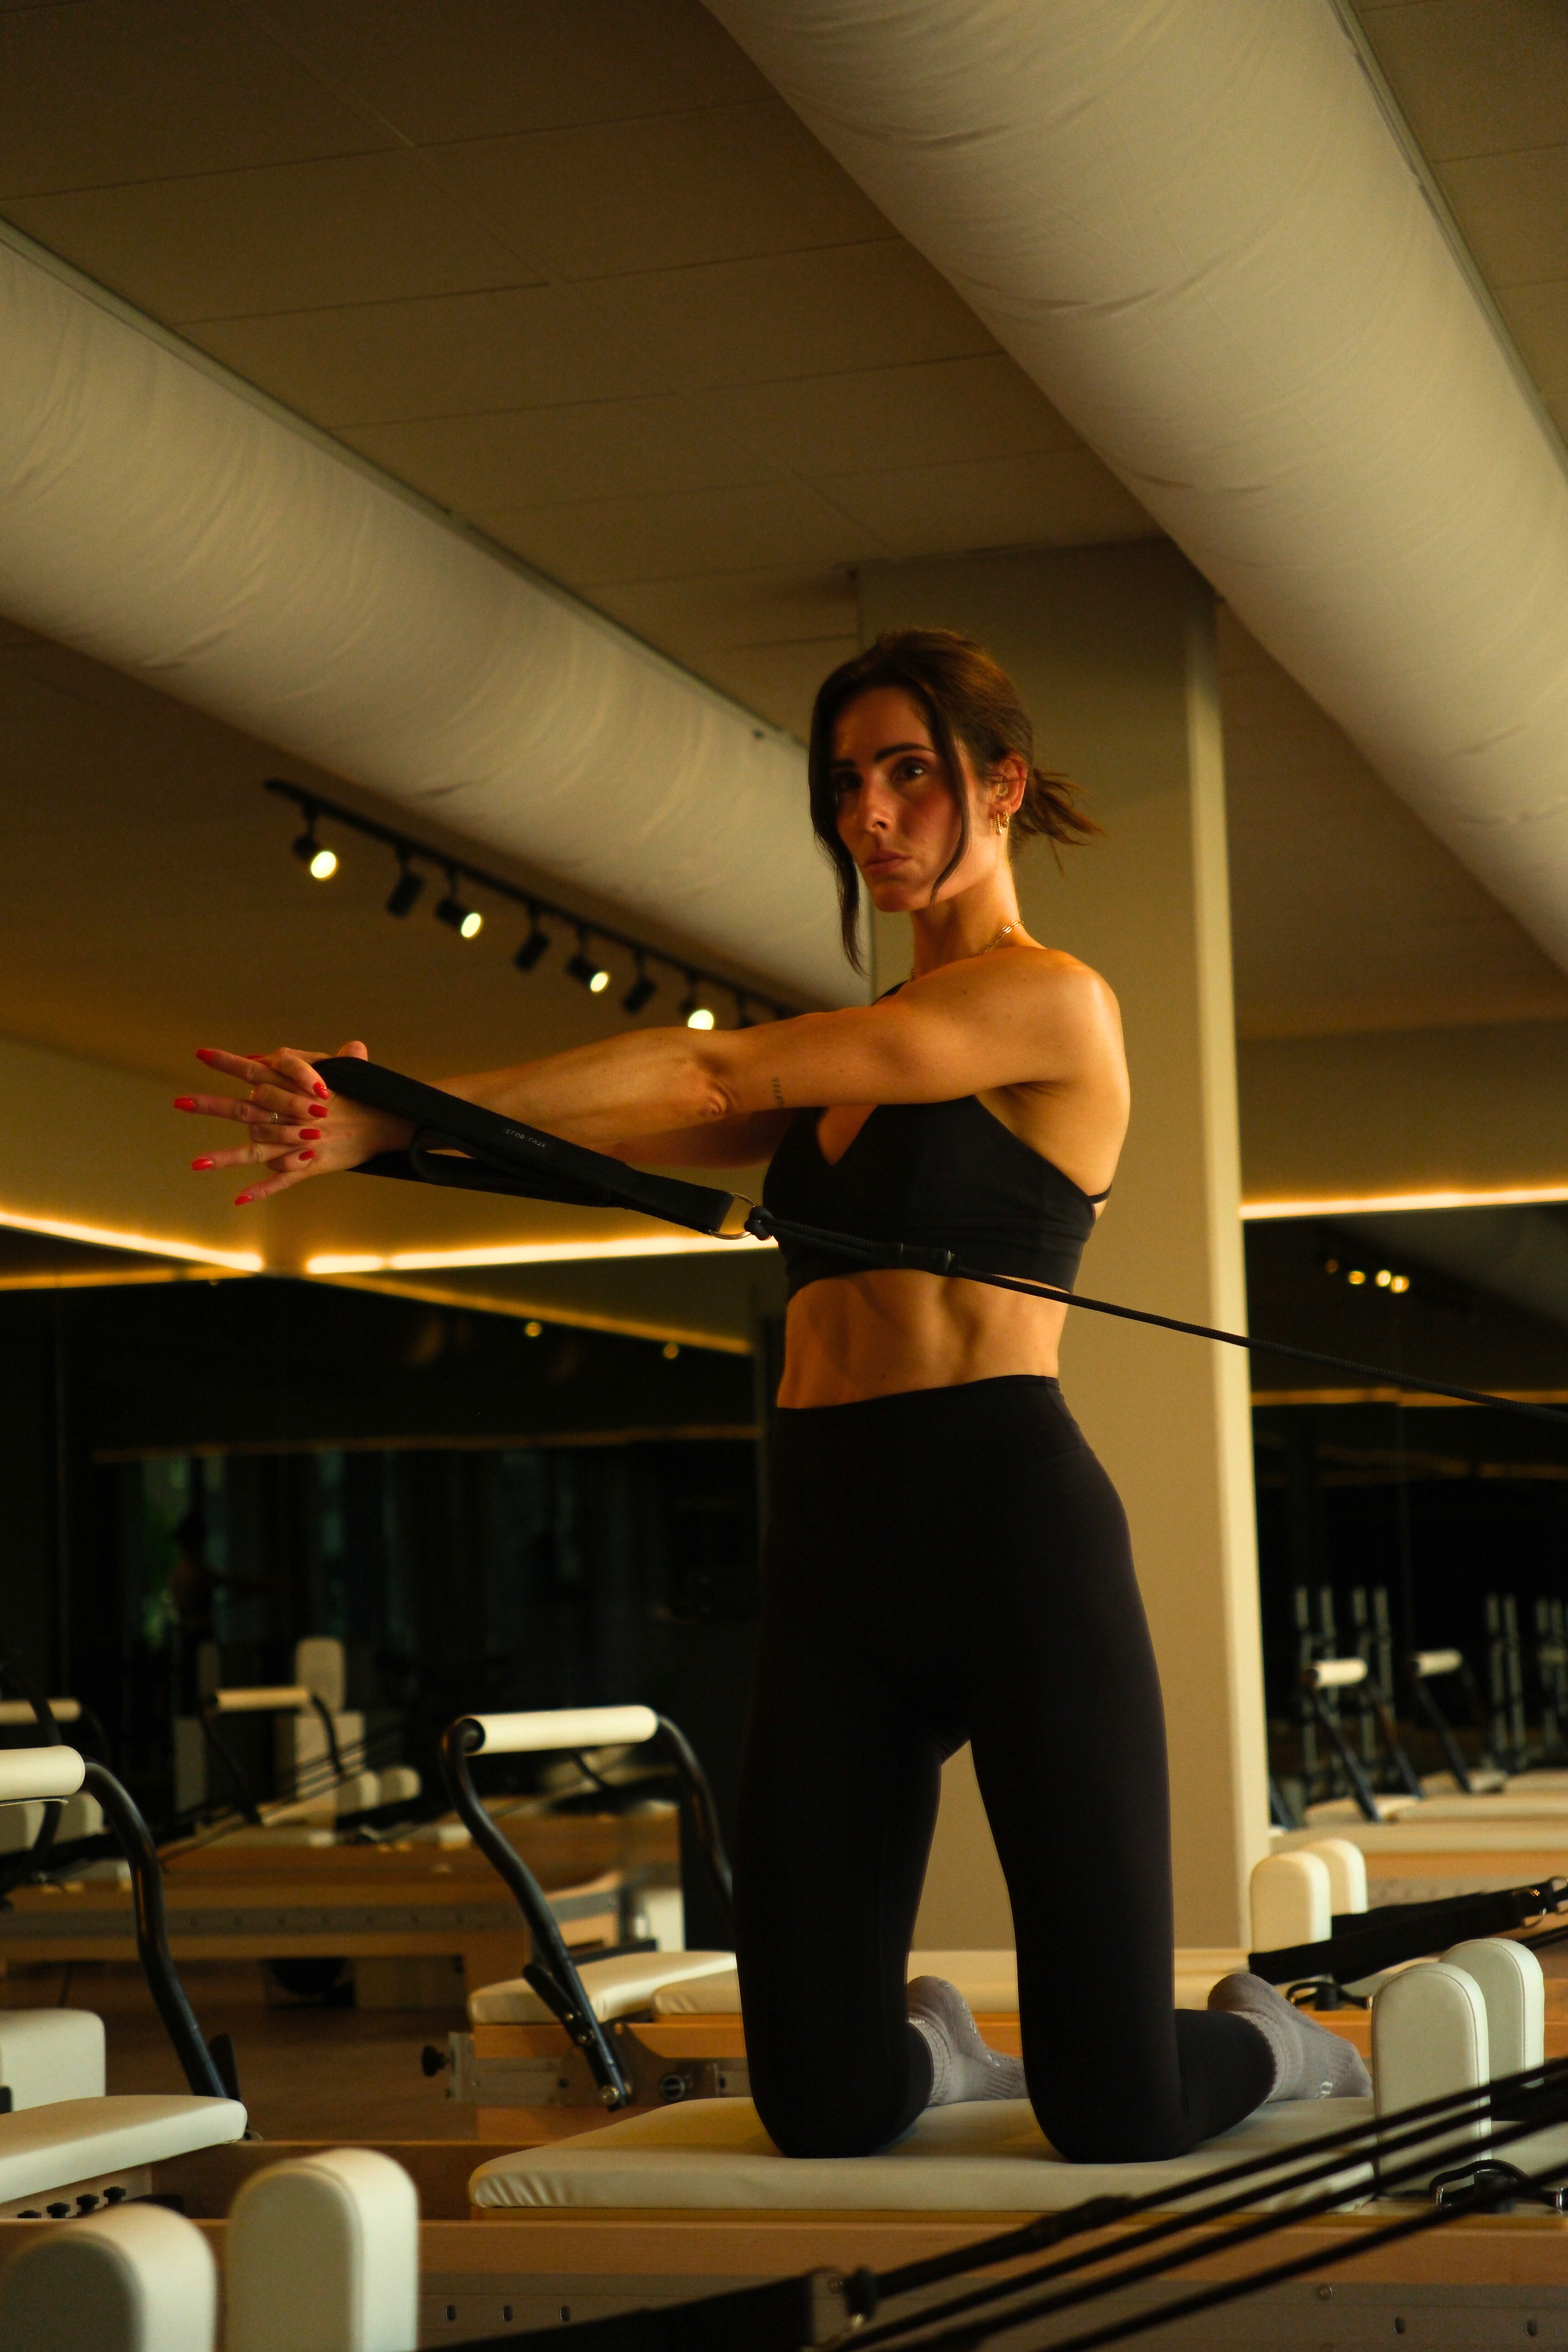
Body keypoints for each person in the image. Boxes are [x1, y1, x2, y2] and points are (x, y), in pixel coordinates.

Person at [178, 628, 1366, 2160]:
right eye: (845, 783)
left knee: (1112, 2106)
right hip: (832, 1543)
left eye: (908, 775)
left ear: (998, 788)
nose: (867, 814)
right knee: (819, 2105)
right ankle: (932, 2048)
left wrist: (393, 1101)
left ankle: (1271, 2038)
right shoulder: (849, 1058)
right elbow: (608, 1149)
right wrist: (389, 1141)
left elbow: (711, 1079)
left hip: (1009, 1529)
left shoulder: (1052, 1006)